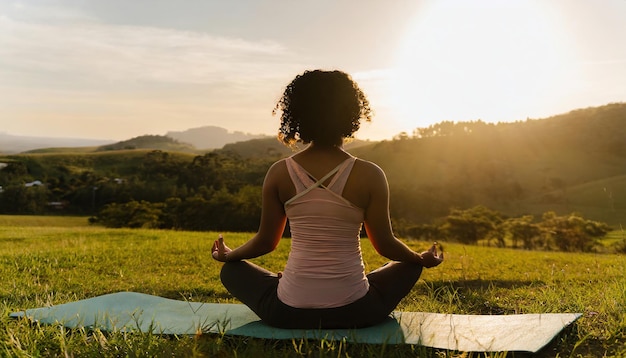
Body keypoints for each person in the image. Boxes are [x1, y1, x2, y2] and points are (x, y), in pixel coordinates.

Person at [212, 69, 443, 329]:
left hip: (287, 314)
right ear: (352, 113)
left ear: (297, 113)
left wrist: (229, 257)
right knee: (408, 266)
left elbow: (266, 242)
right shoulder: (370, 174)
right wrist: (420, 259)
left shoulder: (279, 173)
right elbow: (386, 246)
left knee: (232, 271)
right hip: (356, 313)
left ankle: (291, 285)